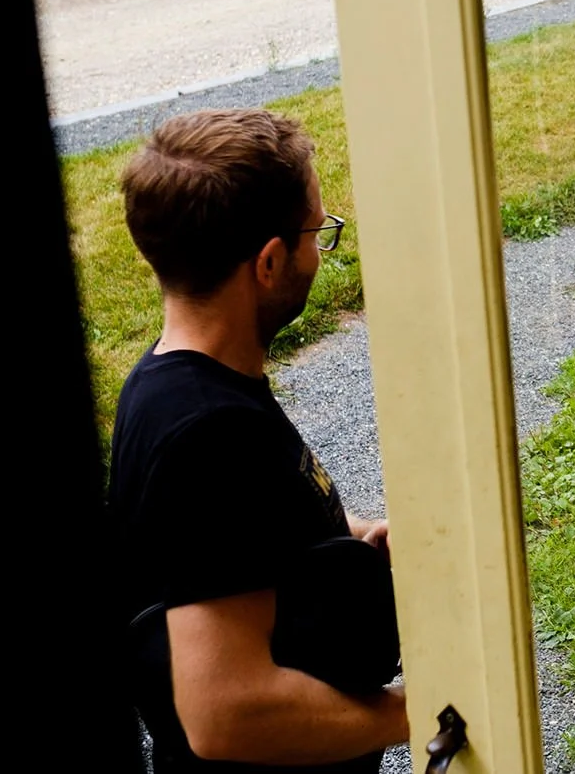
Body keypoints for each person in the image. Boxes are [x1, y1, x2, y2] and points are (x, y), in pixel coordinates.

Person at [108, 108, 409, 770]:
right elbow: (225, 713)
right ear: (269, 261)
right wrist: (415, 710)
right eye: (315, 233)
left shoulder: (176, 378)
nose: (318, 252)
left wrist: (352, 533)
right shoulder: (207, 435)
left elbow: (235, 538)